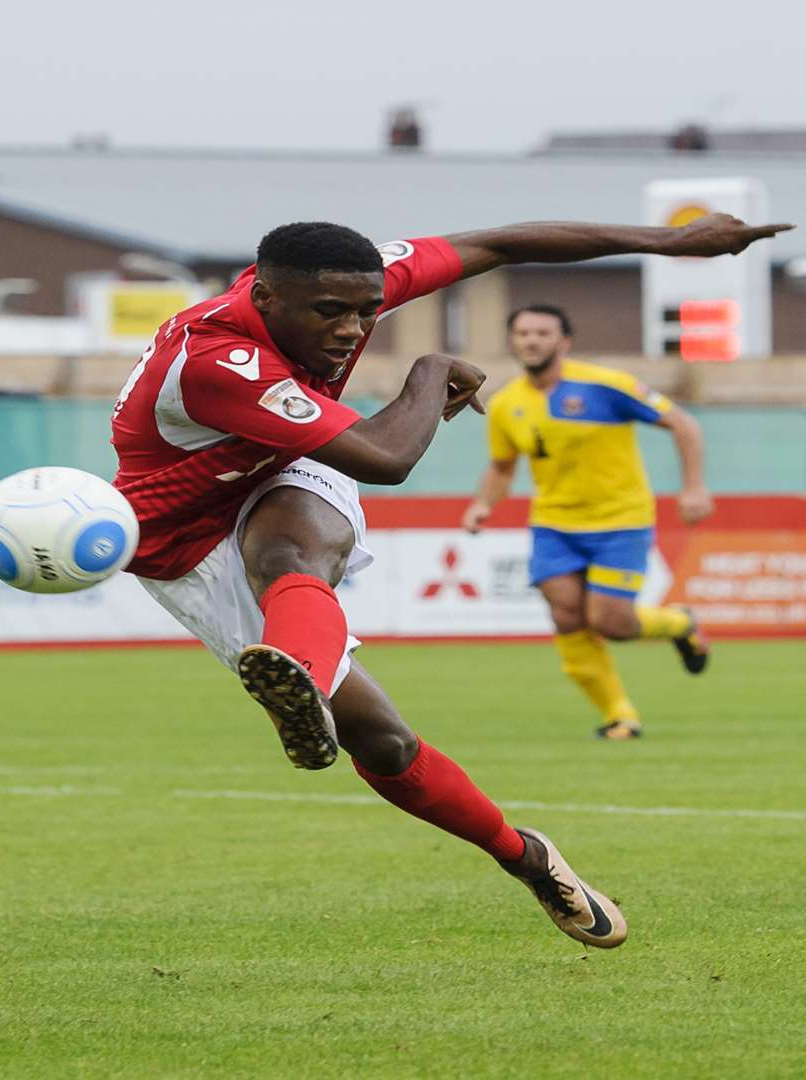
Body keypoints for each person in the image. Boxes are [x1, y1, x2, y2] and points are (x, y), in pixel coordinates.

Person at [110, 213, 787, 949]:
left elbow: (499, 245)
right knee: (387, 746)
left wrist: (668, 243)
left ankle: (294, 676)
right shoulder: (216, 360)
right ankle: (527, 856)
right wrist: (431, 372)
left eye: (367, 310)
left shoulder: (343, 279)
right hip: (185, 543)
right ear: (265, 297)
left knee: (290, 553)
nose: (350, 328)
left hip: (278, 472)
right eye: (330, 313)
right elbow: (385, 457)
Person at [462, 304, 713, 740]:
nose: (532, 341)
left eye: (542, 333)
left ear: (564, 342)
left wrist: (693, 487)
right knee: (566, 617)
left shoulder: (605, 386)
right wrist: (484, 503)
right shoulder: (506, 404)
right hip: (554, 524)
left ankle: (679, 623)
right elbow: (503, 467)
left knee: (612, 623)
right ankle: (619, 714)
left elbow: (682, 423)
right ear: (513, 342)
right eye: (523, 333)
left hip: (620, 520)